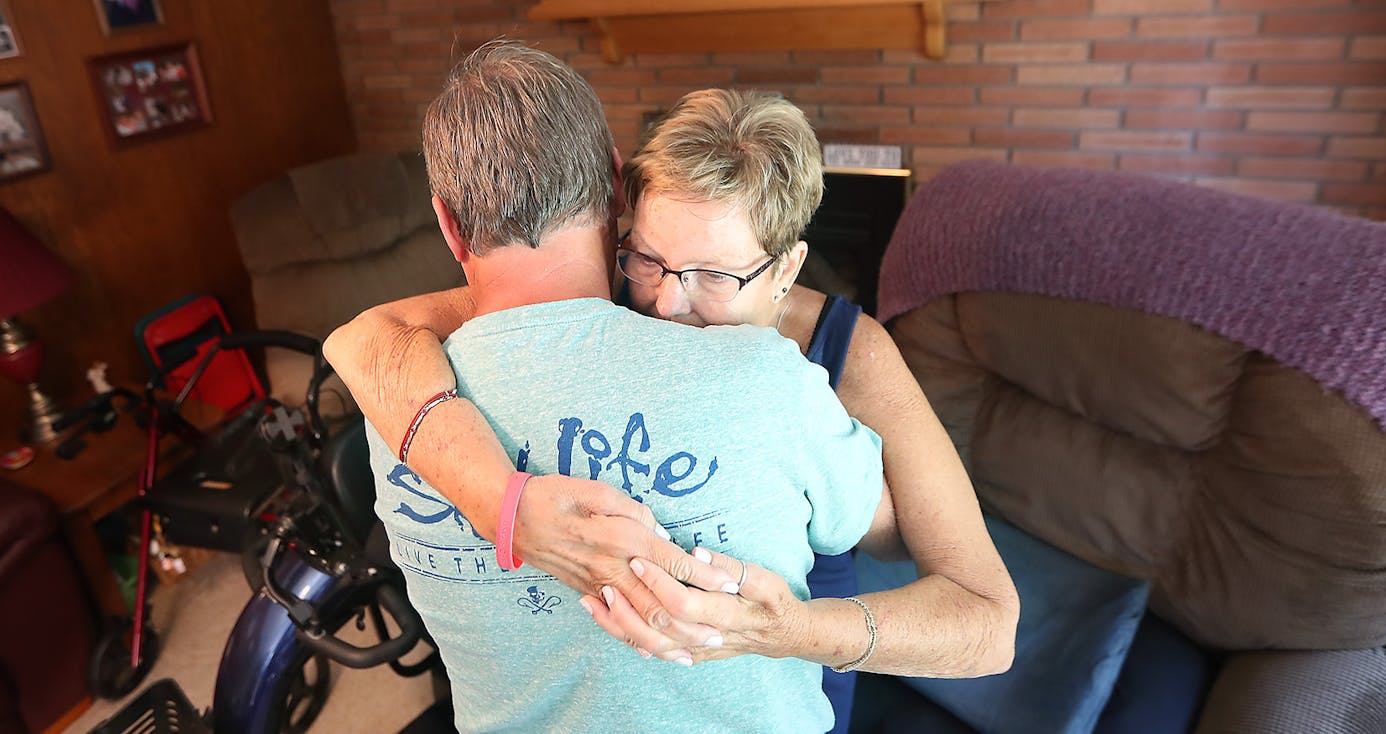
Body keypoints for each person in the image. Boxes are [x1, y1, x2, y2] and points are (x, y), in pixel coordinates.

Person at [329, 52, 1019, 733]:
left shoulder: (843, 360)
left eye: (715, 276)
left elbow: (983, 618)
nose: (663, 305)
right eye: (646, 257)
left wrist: (791, 630)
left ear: (787, 268)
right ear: (619, 200)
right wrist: (502, 506)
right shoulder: (597, 306)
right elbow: (363, 338)